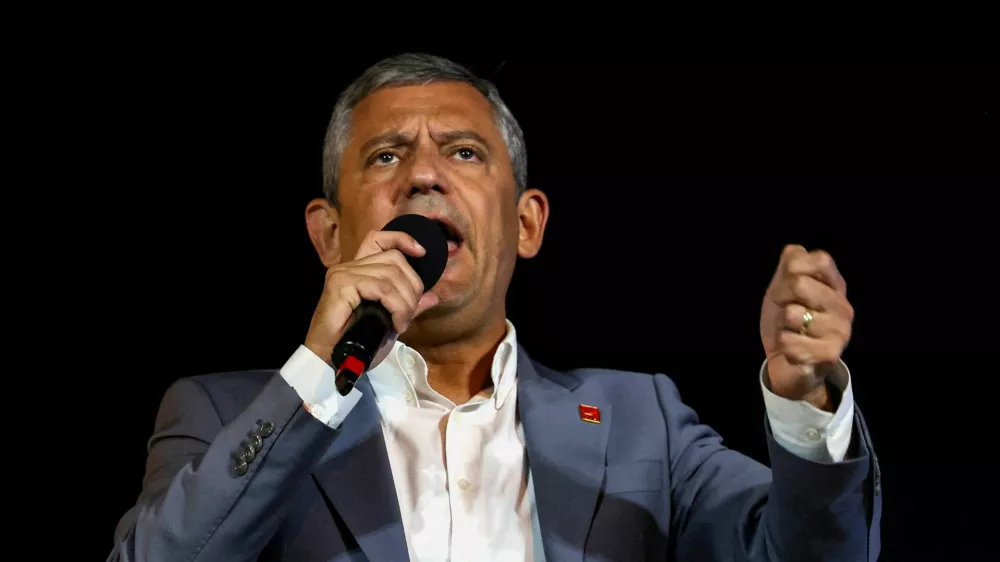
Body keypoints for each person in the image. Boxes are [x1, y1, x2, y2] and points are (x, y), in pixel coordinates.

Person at [108, 53, 882, 562]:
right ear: (330, 232)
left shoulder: (641, 420)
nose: (423, 177)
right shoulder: (222, 413)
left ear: (526, 223)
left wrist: (807, 402)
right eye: (386, 155)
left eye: (463, 152)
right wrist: (317, 377)